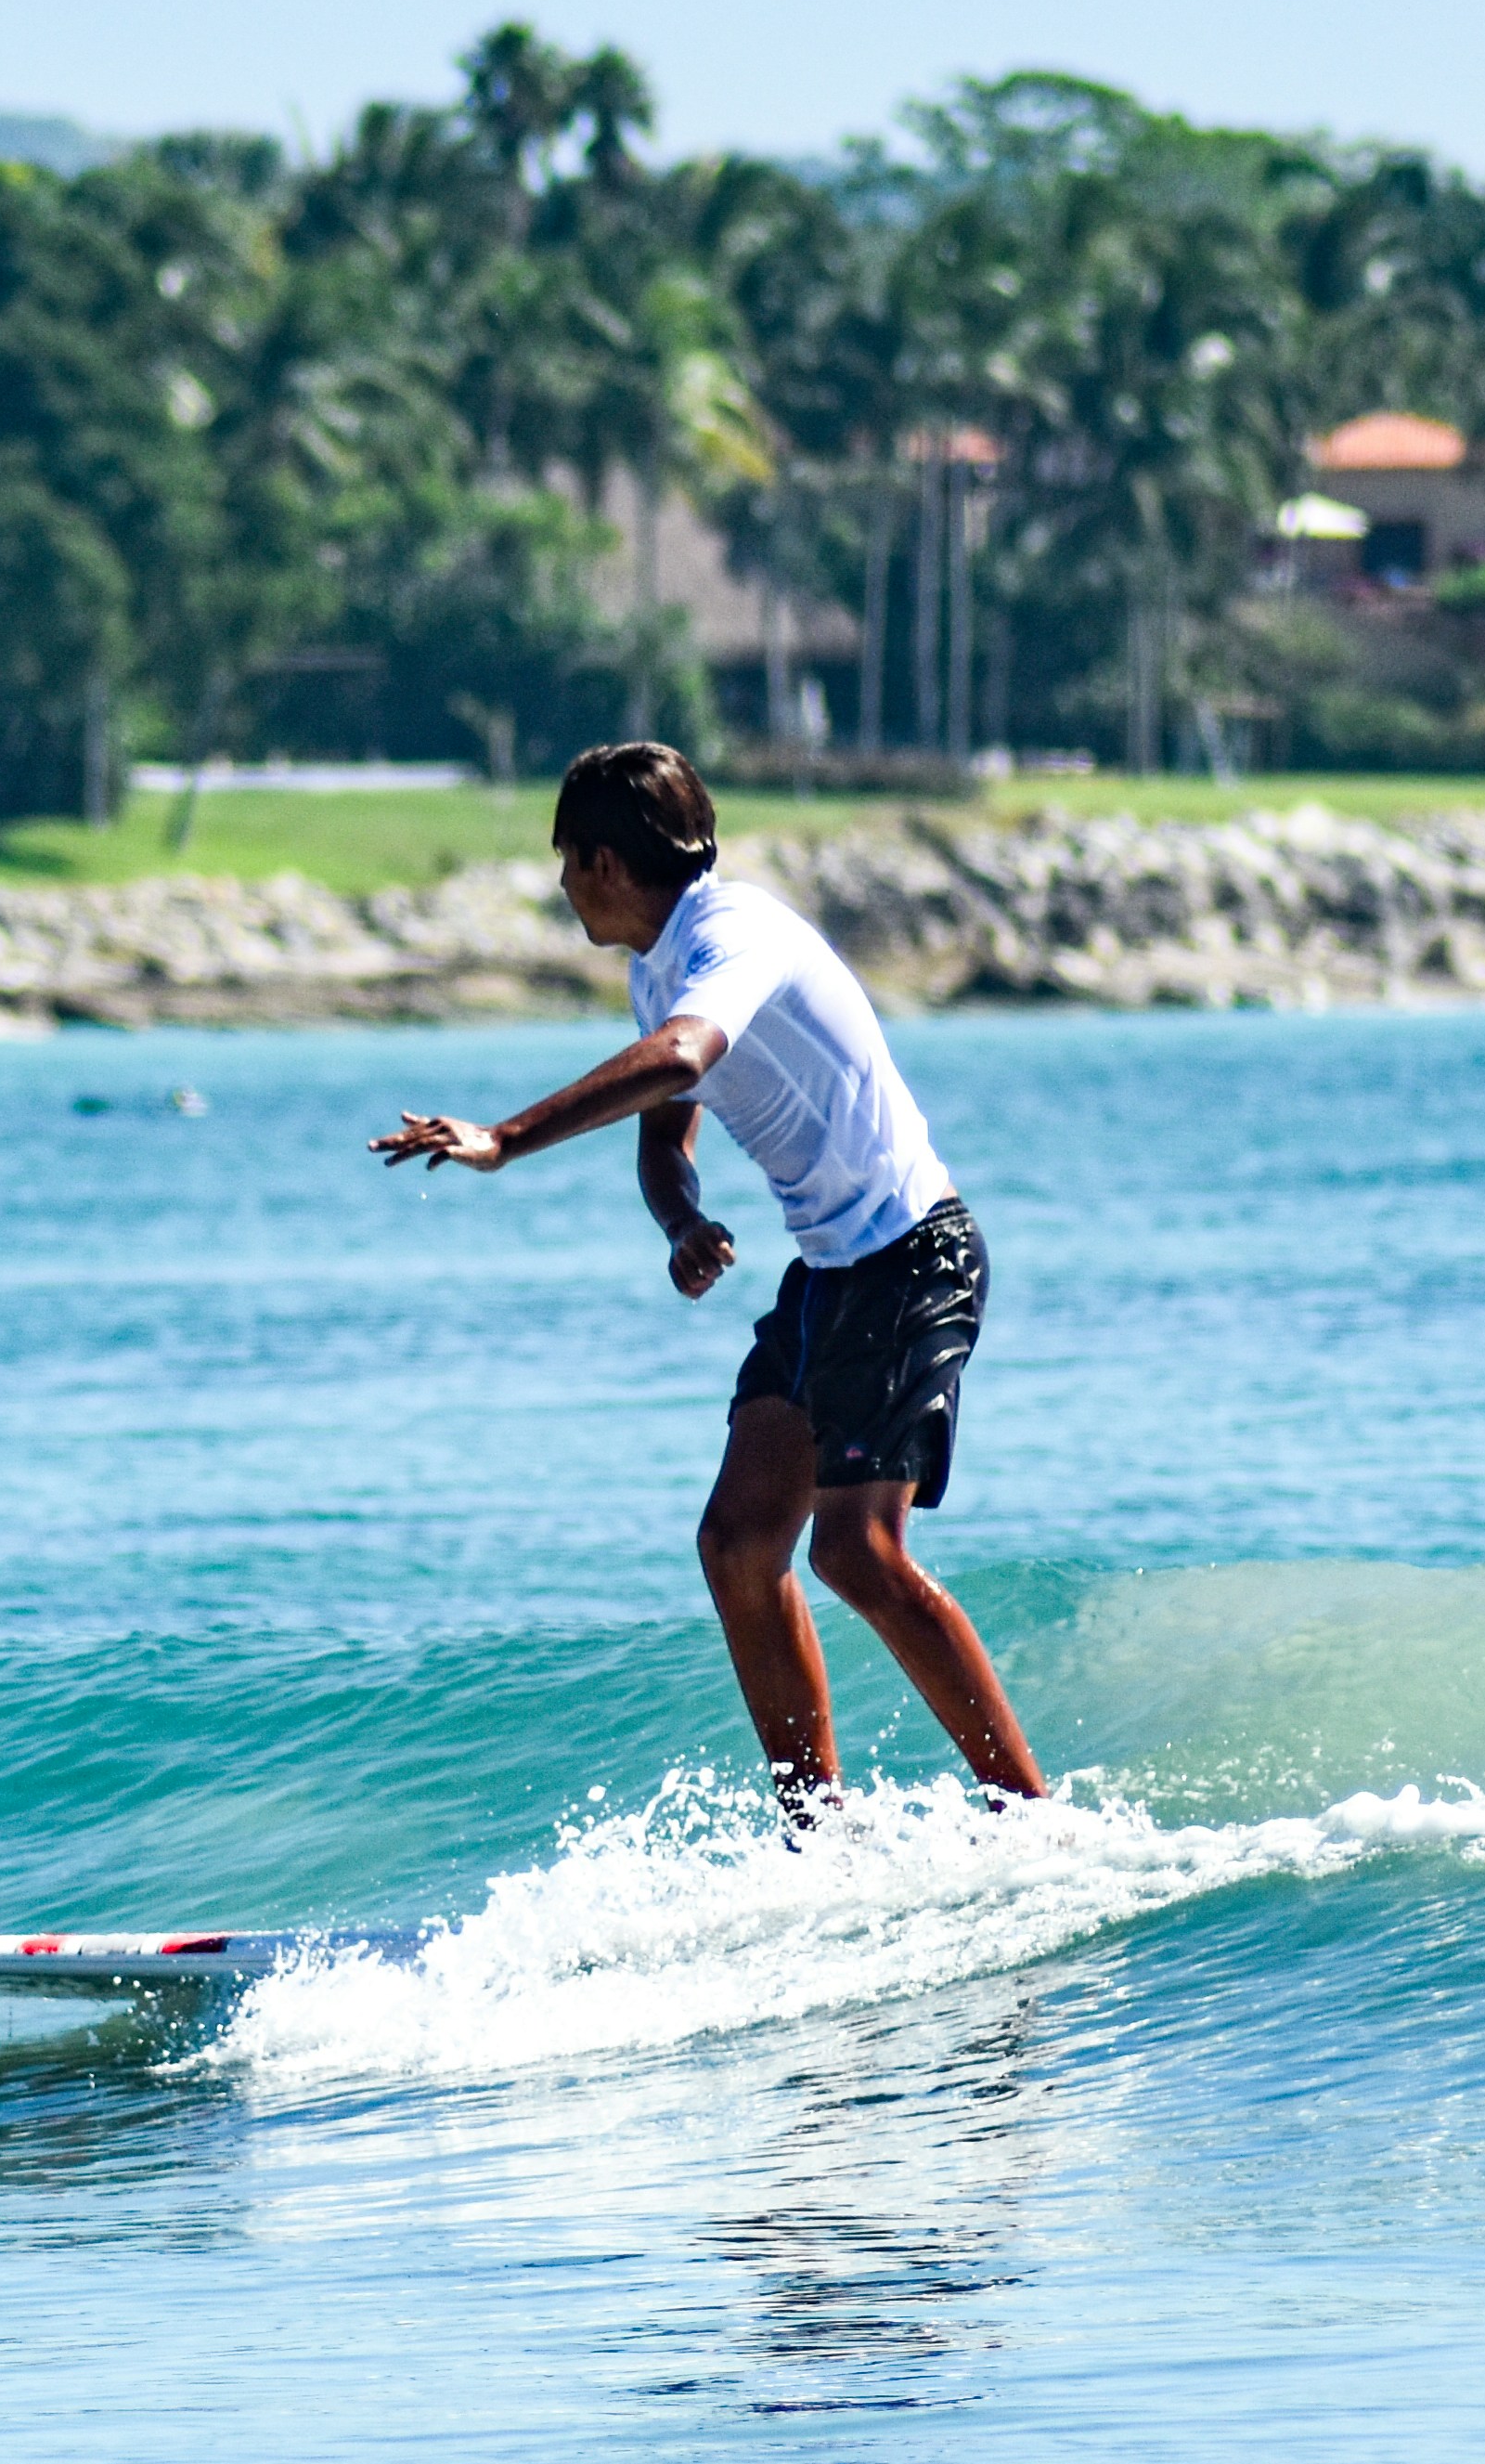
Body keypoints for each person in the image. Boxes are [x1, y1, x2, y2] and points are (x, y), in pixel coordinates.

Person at [372, 741, 1050, 1813]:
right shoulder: (661, 967)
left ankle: (1032, 1818)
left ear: (602, 860)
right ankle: (817, 1837)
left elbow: (684, 1058)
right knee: (738, 1544)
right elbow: (665, 1128)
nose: (561, 889)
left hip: (909, 1254)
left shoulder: (733, 936)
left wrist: (503, 1138)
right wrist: (683, 1219)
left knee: (858, 1551)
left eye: (566, 863)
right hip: (831, 1271)